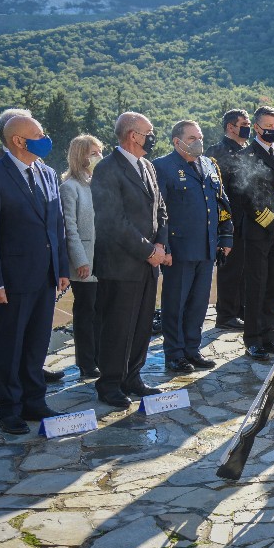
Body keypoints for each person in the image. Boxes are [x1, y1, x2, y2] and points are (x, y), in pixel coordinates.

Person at [0, 115, 70, 434]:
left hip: (45, 275)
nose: (45, 139)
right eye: (38, 134)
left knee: (36, 343)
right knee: (9, 347)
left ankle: (34, 401)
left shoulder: (48, 172)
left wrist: (62, 267)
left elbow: (57, 224)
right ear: (18, 140)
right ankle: (9, 409)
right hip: (11, 279)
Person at [92, 112, 168, 408]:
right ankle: (110, 383)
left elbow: (160, 209)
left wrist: (160, 244)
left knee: (141, 325)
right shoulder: (107, 169)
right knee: (118, 326)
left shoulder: (147, 166)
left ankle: (132, 377)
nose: (153, 137)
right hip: (121, 265)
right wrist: (148, 251)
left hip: (148, 264)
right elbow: (113, 221)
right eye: (149, 132)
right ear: (133, 135)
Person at [154, 120, 233, 373]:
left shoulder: (209, 164)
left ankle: (192, 349)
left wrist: (226, 237)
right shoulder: (162, 167)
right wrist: (163, 246)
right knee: (175, 304)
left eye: (199, 137)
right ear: (177, 142)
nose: (198, 142)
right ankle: (174, 354)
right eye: (192, 138)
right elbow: (158, 212)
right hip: (179, 250)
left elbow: (221, 203)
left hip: (207, 247)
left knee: (199, 304)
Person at [233, 106, 274, 361]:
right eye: (268, 126)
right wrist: (273, 223)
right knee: (256, 285)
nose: (272, 130)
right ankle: (253, 339)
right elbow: (247, 197)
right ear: (256, 127)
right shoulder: (246, 155)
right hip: (259, 230)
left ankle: (270, 335)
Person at [59, 134, 104, 379]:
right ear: (80, 156)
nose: (99, 157)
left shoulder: (98, 184)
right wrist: (80, 260)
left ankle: (101, 356)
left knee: (101, 312)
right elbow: (70, 227)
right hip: (85, 261)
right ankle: (87, 363)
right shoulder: (70, 187)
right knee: (86, 313)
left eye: (99, 152)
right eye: (93, 153)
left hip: (104, 260)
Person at [204, 109, 251, 331]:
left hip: (249, 220)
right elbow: (216, 191)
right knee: (230, 270)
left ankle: (241, 310)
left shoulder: (248, 150)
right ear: (230, 127)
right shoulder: (217, 152)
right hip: (229, 220)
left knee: (244, 269)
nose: (248, 128)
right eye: (244, 124)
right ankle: (226, 315)